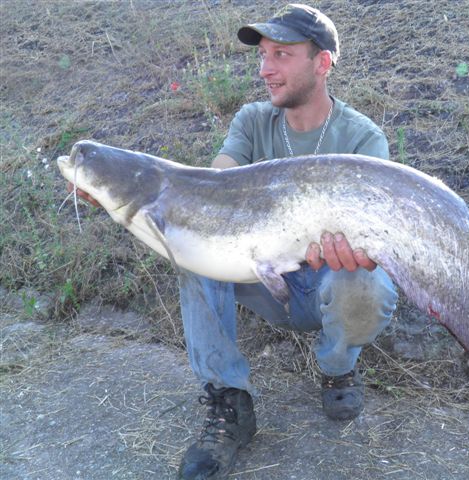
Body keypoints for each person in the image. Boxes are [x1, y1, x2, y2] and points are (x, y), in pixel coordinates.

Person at [69, 4, 398, 479]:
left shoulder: (363, 140)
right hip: (260, 278)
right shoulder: (251, 121)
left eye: (282, 55)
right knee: (191, 249)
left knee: (368, 284)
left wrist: (351, 255)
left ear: (322, 63)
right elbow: (215, 182)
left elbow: (375, 239)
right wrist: (117, 192)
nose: (265, 68)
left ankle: (336, 366)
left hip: (327, 283)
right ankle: (231, 404)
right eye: (263, 55)